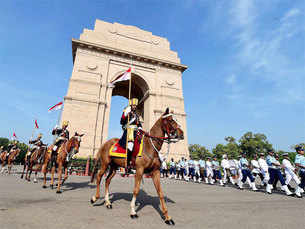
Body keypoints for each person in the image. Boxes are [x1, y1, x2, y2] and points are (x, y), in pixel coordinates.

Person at [118, 98, 142, 171]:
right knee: (130, 146)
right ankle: (127, 164)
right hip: (129, 132)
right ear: (131, 105)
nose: (134, 106)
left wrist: (140, 127)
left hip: (136, 132)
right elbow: (121, 121)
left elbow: (139, 123)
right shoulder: (127, 112)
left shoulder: (136, 115)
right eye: (133, 105)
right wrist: (126, 114)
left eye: (135, 105)